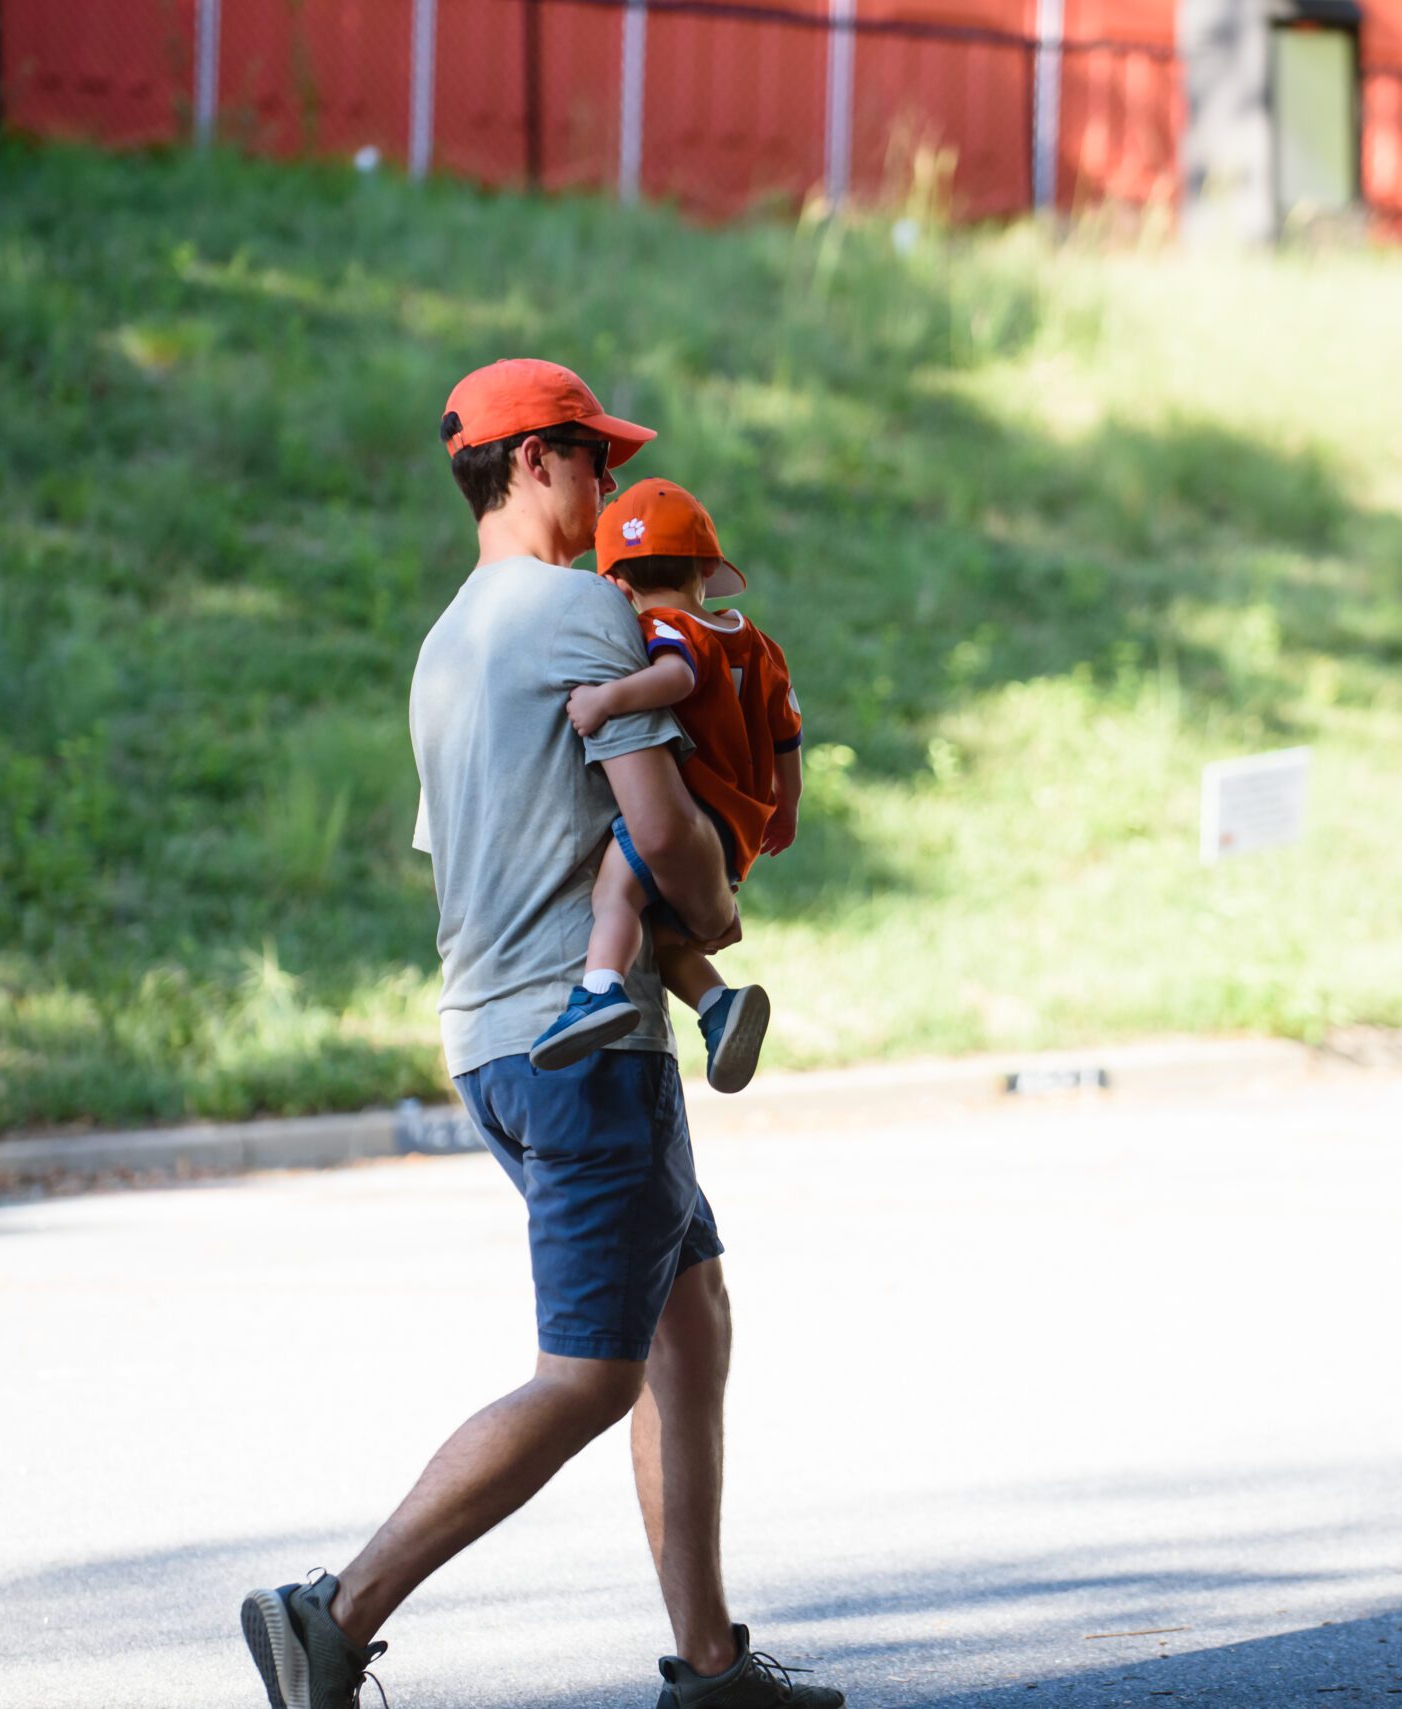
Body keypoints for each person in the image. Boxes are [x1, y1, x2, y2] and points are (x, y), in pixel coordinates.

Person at [239, 358, 843, 1709]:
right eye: (592, 456)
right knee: (585, 1376)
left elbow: (460, 852)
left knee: (689, 1315)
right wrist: (715, 914)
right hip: (584, 1054)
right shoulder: (582, 614)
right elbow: (666, 826)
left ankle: (708, 1662)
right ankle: (333, 1618)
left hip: (494, 1040)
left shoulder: (445, 642)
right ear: (530, 463)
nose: (611, 483)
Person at [530, 477, 804, 1096]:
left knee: (614, 899)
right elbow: (788, 734)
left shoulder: (667, 626)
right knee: (660, 931)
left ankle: (597, 991)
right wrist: (786, 810)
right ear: (707, 566)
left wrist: (606, 699)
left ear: (618, 583)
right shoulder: (759, 645)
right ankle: (717, 1008)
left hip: (689, 803)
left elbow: (677, 678)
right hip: (736, 824)